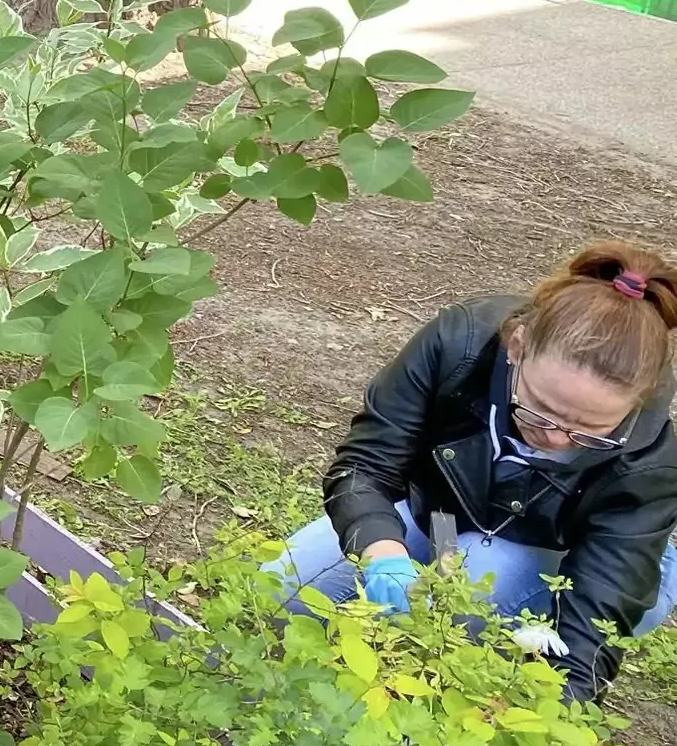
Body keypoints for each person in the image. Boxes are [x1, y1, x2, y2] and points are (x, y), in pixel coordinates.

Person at [269, 241, 677, 699]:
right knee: (282, 590)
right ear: (517, 348)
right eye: (540, 412)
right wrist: (383, 552)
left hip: (568, 550)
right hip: (449, 514)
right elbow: (366, 466)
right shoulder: (457, 346)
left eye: (588, 432)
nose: (557, 438)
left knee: (466, 593)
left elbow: (591, 628)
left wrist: (557, 708)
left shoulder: (647, 462)